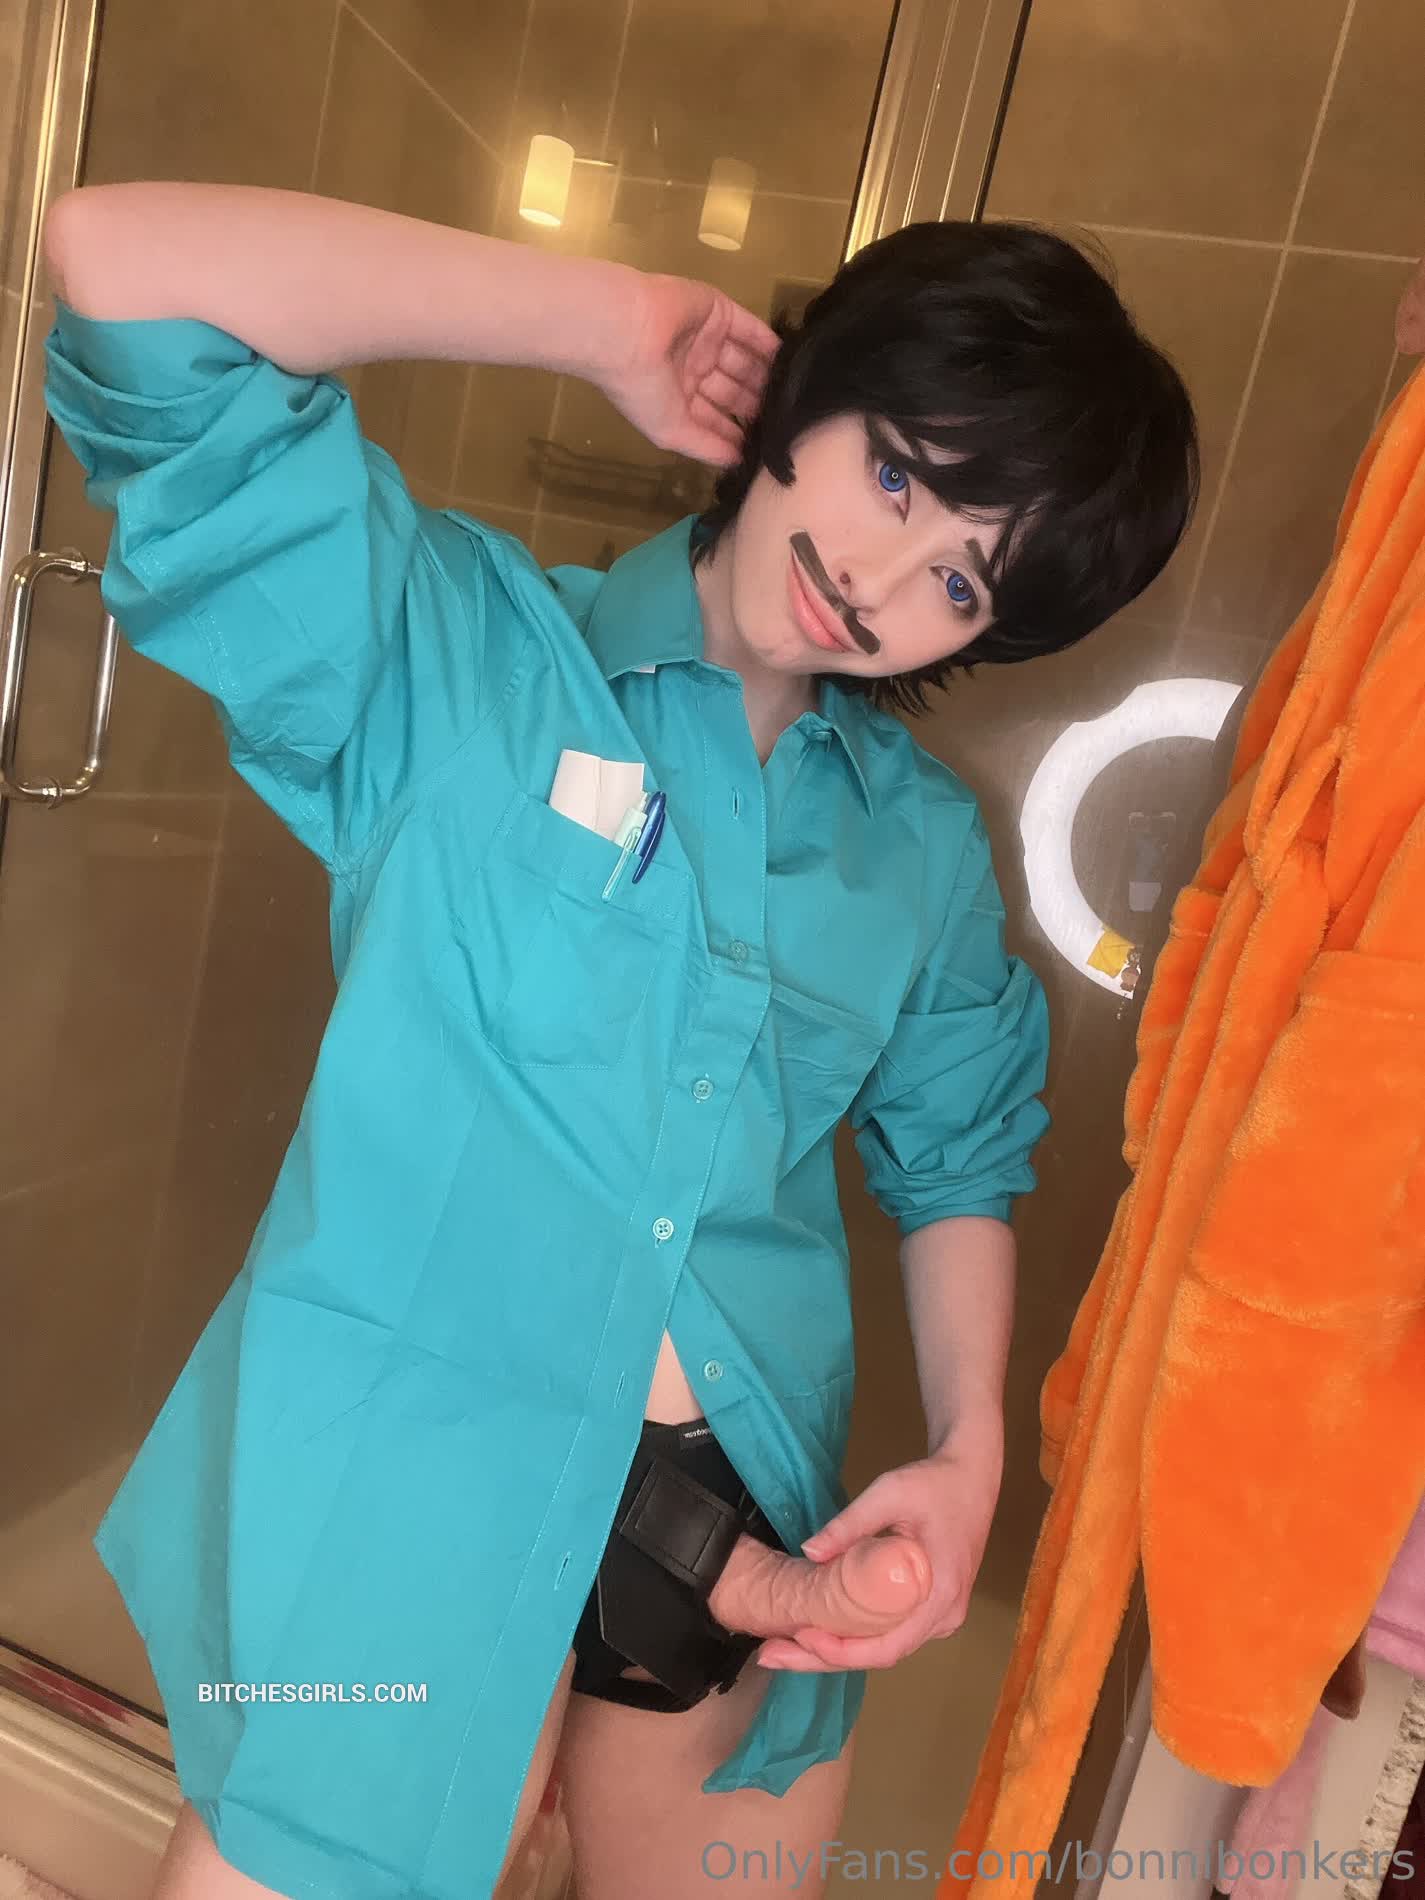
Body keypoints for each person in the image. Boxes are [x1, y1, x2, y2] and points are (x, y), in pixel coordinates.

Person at [40, 181, 1198, 1900]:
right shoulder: (456, 658)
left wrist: (965, 1453)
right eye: (895, 473)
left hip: (745, 1507)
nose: (879, 579)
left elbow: (955, 1163)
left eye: (960, 575)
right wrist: (599, 323)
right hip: (412, 1478)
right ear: (809, 392)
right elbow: (119, 270)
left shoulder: (915, 849)